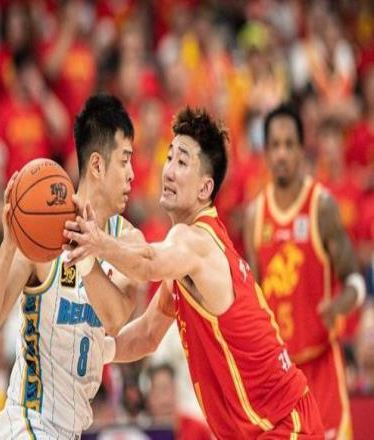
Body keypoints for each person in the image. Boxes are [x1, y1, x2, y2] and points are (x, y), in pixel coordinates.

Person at [64, 107, 324, 439]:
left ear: (205, 188)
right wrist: (98, 350)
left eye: (182, 162)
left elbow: (147, 263)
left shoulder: (196, 240)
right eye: (169, 157)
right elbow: (147, 335)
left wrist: (96, 243)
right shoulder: (183, 259)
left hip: (285, 425)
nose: (169, 171)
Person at [0, 94, 141, 439]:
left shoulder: (128, 240)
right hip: (28, 422)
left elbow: (116, 318)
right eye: (124, 161)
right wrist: (9, 245)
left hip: (71, 429)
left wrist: (88, 258)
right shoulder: (42, 236)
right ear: (97, 166)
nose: (132, 174)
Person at [244, 104, 366, 439]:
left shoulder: (322, 206)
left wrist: (340, 304)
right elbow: (252, 299)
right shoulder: (255, 215)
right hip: (279, 376)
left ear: (301, 150)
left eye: (289, 144)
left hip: (321, 367)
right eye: (275, 145)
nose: (282, 153)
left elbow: (355, 279)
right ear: (266, 153)